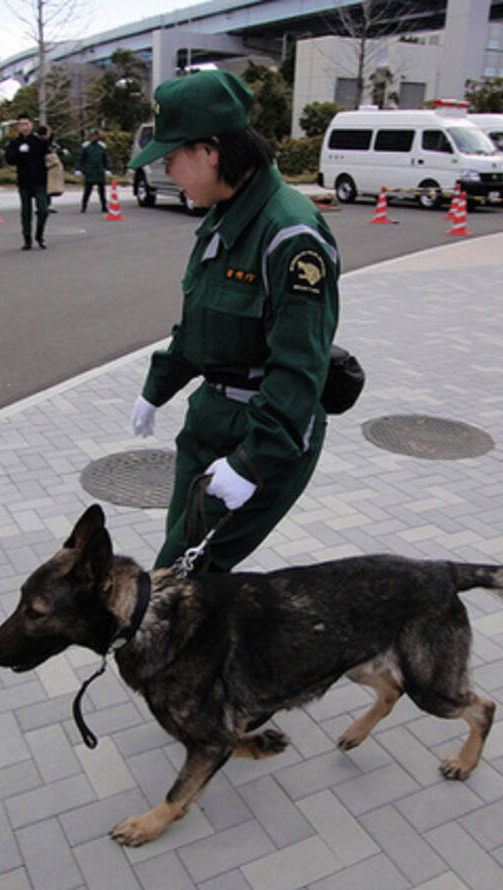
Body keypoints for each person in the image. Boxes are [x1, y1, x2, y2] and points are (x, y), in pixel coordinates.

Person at [127, 69, 340, 574]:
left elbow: (299, 367)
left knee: (177, 580)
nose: (167, 170)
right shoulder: (222, 217)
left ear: (211, 151)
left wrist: (252, 464)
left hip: (266, 432)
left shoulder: (289, 234)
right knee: (181, 577)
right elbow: (199, 326)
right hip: (210, 420)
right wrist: (158, 387)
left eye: (172, 158)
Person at [4, 115, 51, 250]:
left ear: (31, 125)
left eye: (26, 124)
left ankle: (39, 235)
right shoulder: (15, 143)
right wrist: (19, 153)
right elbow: (9, 159)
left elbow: (49, 154)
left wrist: (48, 138)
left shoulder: (39, 141)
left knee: (43, 210)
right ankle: (27, 239)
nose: (24, 127)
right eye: (21, 124)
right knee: (26, 211)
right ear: (18, 127)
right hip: (24, 180)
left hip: (40, 180)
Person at [76, 129, 111, 213]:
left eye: (94, 136)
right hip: (89, 171)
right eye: (91, 136)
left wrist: (108, 168)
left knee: (102, 191)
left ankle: (104, 206)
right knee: (87, 191)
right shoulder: (85, 146)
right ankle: (84, 206)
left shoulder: (102, 146)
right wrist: (78, 169)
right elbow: (80, 158)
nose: (92, 137)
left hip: (99, 171)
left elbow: (106, 158)